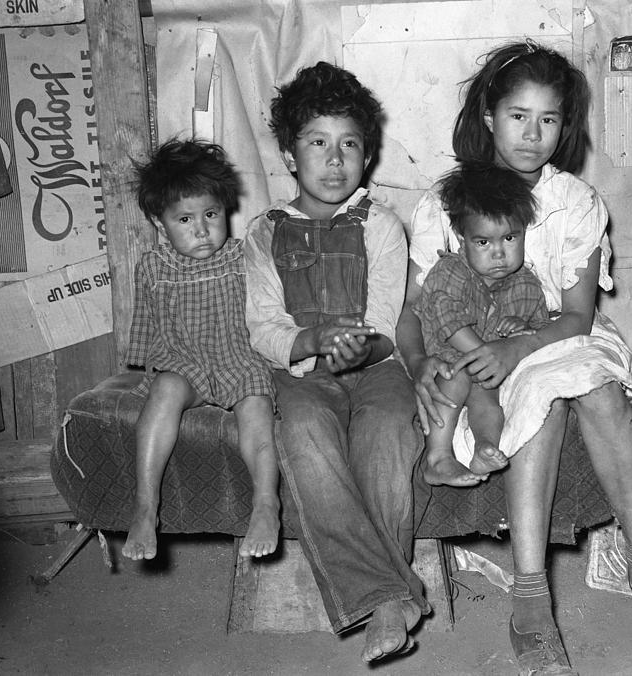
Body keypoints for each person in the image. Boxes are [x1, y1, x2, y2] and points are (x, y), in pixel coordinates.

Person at [396, 41, 632, 674]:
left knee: (597, 389)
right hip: (473, 342)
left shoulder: (577, 202)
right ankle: (531, 599)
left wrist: (517, 346)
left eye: (549, 119)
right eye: (517, 116)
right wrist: (418, 360)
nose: (533, 134)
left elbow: (578, 317)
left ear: (565, 126)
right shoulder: (444, 204)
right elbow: (415, 312)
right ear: (487, 119)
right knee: (538, 406)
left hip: (555, 333)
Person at [243, 61, 429, 664]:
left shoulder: (379, 224)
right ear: (290, 156)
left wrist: (363, 346)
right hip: (305, 374)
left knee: (384, 436)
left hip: (376, 368)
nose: (334, 160)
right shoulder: (263, 233)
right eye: (317, 143)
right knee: (305, 435)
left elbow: (384, 319)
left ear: (367, 156)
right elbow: (264, 326)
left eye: (349, 144)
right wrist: (311, 342)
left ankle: (382, 600)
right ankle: (390, 596)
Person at [123, 138, 280, 562]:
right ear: (160, 223)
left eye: (211, 215)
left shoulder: (242, 257)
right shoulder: (154, 266)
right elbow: (148, 328)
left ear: (226, 212)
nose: (201, 229)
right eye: (185, 219)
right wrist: (151, 374)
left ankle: (266, 504)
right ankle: (145, 505)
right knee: (166, 390)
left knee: (256, 404)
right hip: (184, 362)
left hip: (238, 360)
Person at [413, 162, 549, 487]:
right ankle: (437, 458)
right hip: (449, 360)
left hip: (488, 373)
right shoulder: (450, 272)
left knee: (489, 401)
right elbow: (449, 323)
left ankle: (485, 447)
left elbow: (538, 331)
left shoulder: (526, 285)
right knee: (457, 376)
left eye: (510, 238)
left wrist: (520, 329)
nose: (499, 253)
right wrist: (485, 354)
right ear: (462, 239)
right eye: (483, 243)